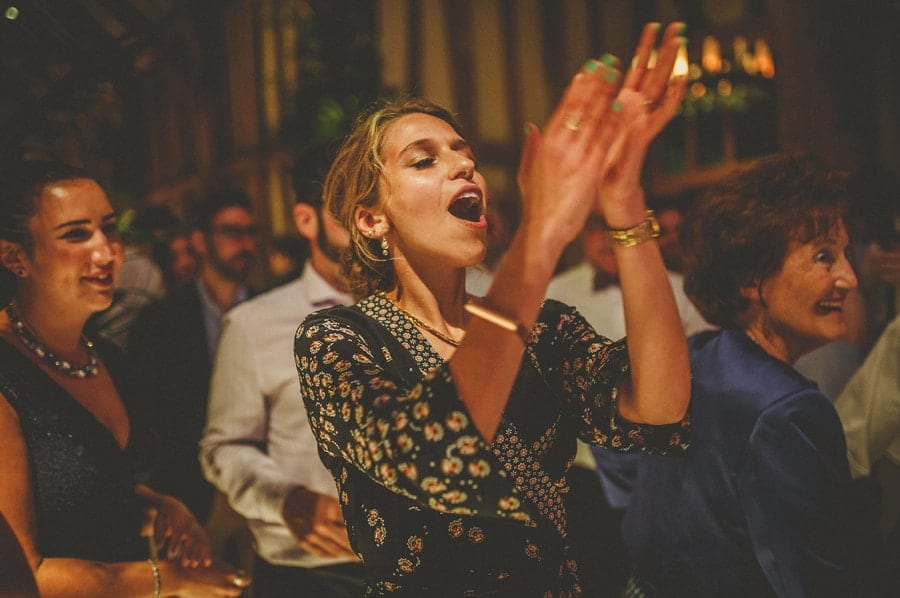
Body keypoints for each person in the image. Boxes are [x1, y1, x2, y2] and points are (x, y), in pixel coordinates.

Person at [294, 22, 691, 596]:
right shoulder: (336, 340)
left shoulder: (546, 328)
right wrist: (545, 231)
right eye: (423, 160)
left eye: (465, 155)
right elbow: (436, 456)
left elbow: (659, 406)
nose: (462, 166)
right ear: (371, 219)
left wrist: (624, 199)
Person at [622, 154, 870, 597]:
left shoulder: (694, 358)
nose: (848, 278)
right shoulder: (787, 409)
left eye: (846, 255)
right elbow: (816, 580)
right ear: (749, 279)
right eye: (823, 257)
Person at [0, 159, 249, 596]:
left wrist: (156, 503)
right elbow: (19, 575)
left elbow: (85, 491)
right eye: (76, 234)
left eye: (109, 228)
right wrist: (167, 580)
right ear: (15, 256)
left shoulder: (105, 356)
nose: (106, 251)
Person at [200, 181, 365, 597]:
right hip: (310, 575)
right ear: (306, 219)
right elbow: (225, 446)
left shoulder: (424, 312)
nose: (370, 219)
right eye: (350, 205)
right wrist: (285, 500)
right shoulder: (256, 323)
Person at [129, 188, 259, 524]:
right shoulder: (160, 321)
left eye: (251, 232)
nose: (245, 244)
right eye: (232, 232)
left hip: (263, 488)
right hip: (190, 493)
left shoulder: (272, 312)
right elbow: (149, 413)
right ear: (200, 241)